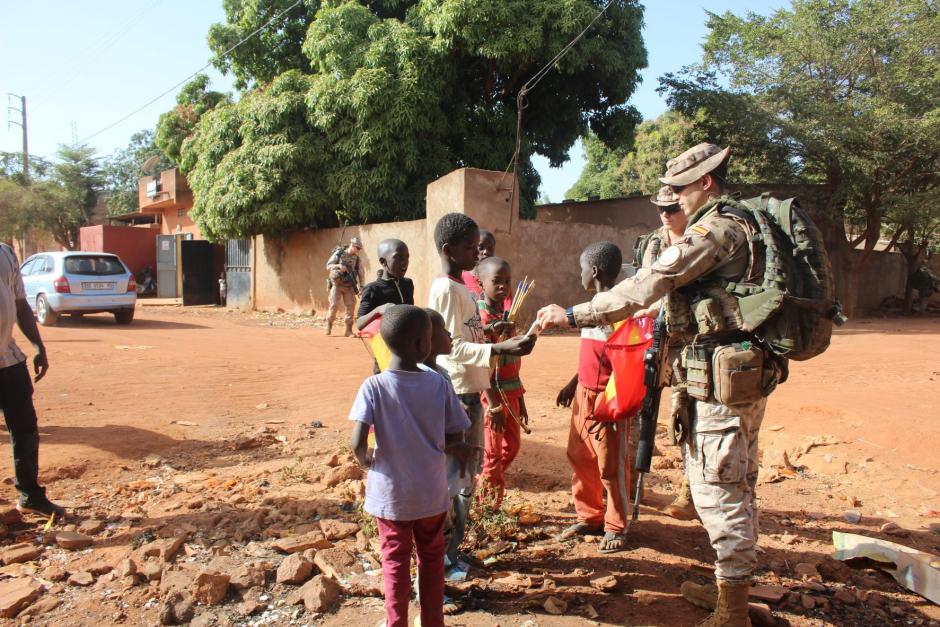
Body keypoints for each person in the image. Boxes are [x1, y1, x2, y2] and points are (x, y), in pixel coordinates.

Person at [537, 143, 783, 626]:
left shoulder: (716, 230)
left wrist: (573, 314)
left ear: (705, 183)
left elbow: (652, 283)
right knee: (735, 479)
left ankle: (731, 611)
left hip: (723, 381)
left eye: (679, 191)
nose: (673, 201)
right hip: (731, 374)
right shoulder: (737, 224)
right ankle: (728, 591)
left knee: (720, 487)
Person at [349, 305, 472, 627]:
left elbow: (357, 441)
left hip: (391, 495)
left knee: (394, 561)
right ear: (422, 345)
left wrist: (365, 460)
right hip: (430, 493)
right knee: (431, 559)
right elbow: (455, 432)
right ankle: (433, 621)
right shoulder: (439, 385)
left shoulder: (373, 386)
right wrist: (455, 451)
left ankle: (396, 622)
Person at [427, 213, 535, 565]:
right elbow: (446, 346)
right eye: (471, 247)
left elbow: (468, 336)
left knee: (465, 479)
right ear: (449, 249)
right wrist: (498, 349)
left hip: (471, 392)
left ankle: (453, 552)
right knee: (454, 480)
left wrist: (492, 336)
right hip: (457, 393)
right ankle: (443, 558)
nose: (478, 252)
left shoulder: (460, 288)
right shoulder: (445, 289)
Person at [555, 242, 630, 554]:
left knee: (611, 466)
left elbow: (623, 362)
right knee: (580, 455)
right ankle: (590, 515)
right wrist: (573, 384)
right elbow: (591, 353)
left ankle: (616, 526)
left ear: (595, 271)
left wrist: (609, 401)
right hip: (584, 393)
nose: (579, 274)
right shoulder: (592, 306)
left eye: (582, 268)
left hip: (607, 398)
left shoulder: (617, 309)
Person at [635, 187, 698, 522]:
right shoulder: (655, 242)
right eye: (661, 208)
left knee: (686, 415)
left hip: (692, 341)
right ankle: (634, 483)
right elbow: (647, 284)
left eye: (672, 207)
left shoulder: (702, 237)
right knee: (640, 410)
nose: (666, 214)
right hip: (657, 339)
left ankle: (689, 492)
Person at [0, 243, 65, 518]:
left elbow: (19, 302)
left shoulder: (5, 253)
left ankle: (30, 495)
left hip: (8, 359)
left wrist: (38, 344)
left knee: (25, 429)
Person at [476, 256, 528, 507]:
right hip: (492, 396)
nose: (503, 287)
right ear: (480, 283)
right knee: (493, 452)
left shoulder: (508, 315)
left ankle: (483, 484)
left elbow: (513, 363)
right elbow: (481, 365)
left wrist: (522, 399)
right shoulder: (479, 319)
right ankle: (489, 505)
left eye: (507, 281)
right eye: (496, 281)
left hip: (512, 392)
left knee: (513, 446)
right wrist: (493, 404)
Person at [325, 236, 365, 336]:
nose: (358, 250)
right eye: (357, 248)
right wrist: (338, 266)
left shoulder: (357, 259)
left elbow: (361, 273)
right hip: (337, 285)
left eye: (359, 248)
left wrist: (361, 286)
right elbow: (328, 266)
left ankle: (348, 330)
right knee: (334, 306)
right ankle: (329, 325)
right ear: (352, 245)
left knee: (350, 307)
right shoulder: (339, 254)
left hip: (349, 286)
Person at [461, 228, 496, 301]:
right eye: (481, 247)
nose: (486, 252)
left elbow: (508, 309)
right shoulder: (461, 278)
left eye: (490, 248)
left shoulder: (499, 279)